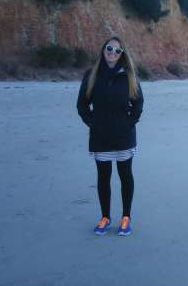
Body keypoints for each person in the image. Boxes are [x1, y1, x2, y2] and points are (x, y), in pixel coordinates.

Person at [76, 36, 144, 236]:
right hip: (100, 137)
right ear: (102, 50)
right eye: (109, 48)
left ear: (122, 54)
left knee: (125, 176)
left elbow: (138, 104)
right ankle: (105, 217)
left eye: (117, 50)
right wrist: (93, 124)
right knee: (103, 178)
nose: (112, 53)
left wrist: (128, 124)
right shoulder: (92, 75)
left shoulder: (129, 75)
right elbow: (82, 104)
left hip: (124, 137)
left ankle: (126, 218)